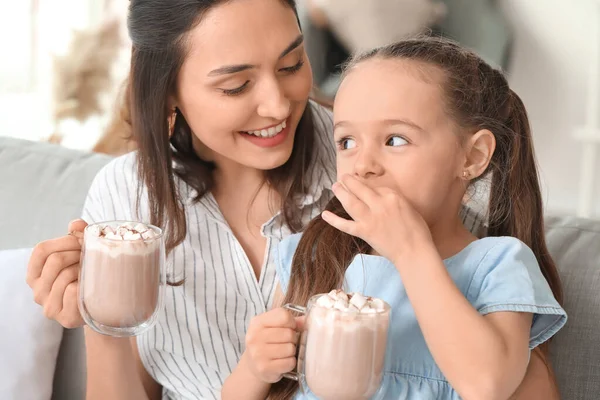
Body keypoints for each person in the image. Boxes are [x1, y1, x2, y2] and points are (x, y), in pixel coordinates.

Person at [25, 1, 561, 398]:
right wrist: (102, 319)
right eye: (236, 86)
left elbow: (503, 364)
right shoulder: (127, 198)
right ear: (168, 94)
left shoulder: (366, 169)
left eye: (290, 65)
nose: (278, 105)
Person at [230, 37, 567, 400]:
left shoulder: (498, 266)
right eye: (346, 142)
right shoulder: (312, 253)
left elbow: (487, 386)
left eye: (395, 140)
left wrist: (411, 251)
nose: (364, 165)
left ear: (473, 156)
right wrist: (255, 366)